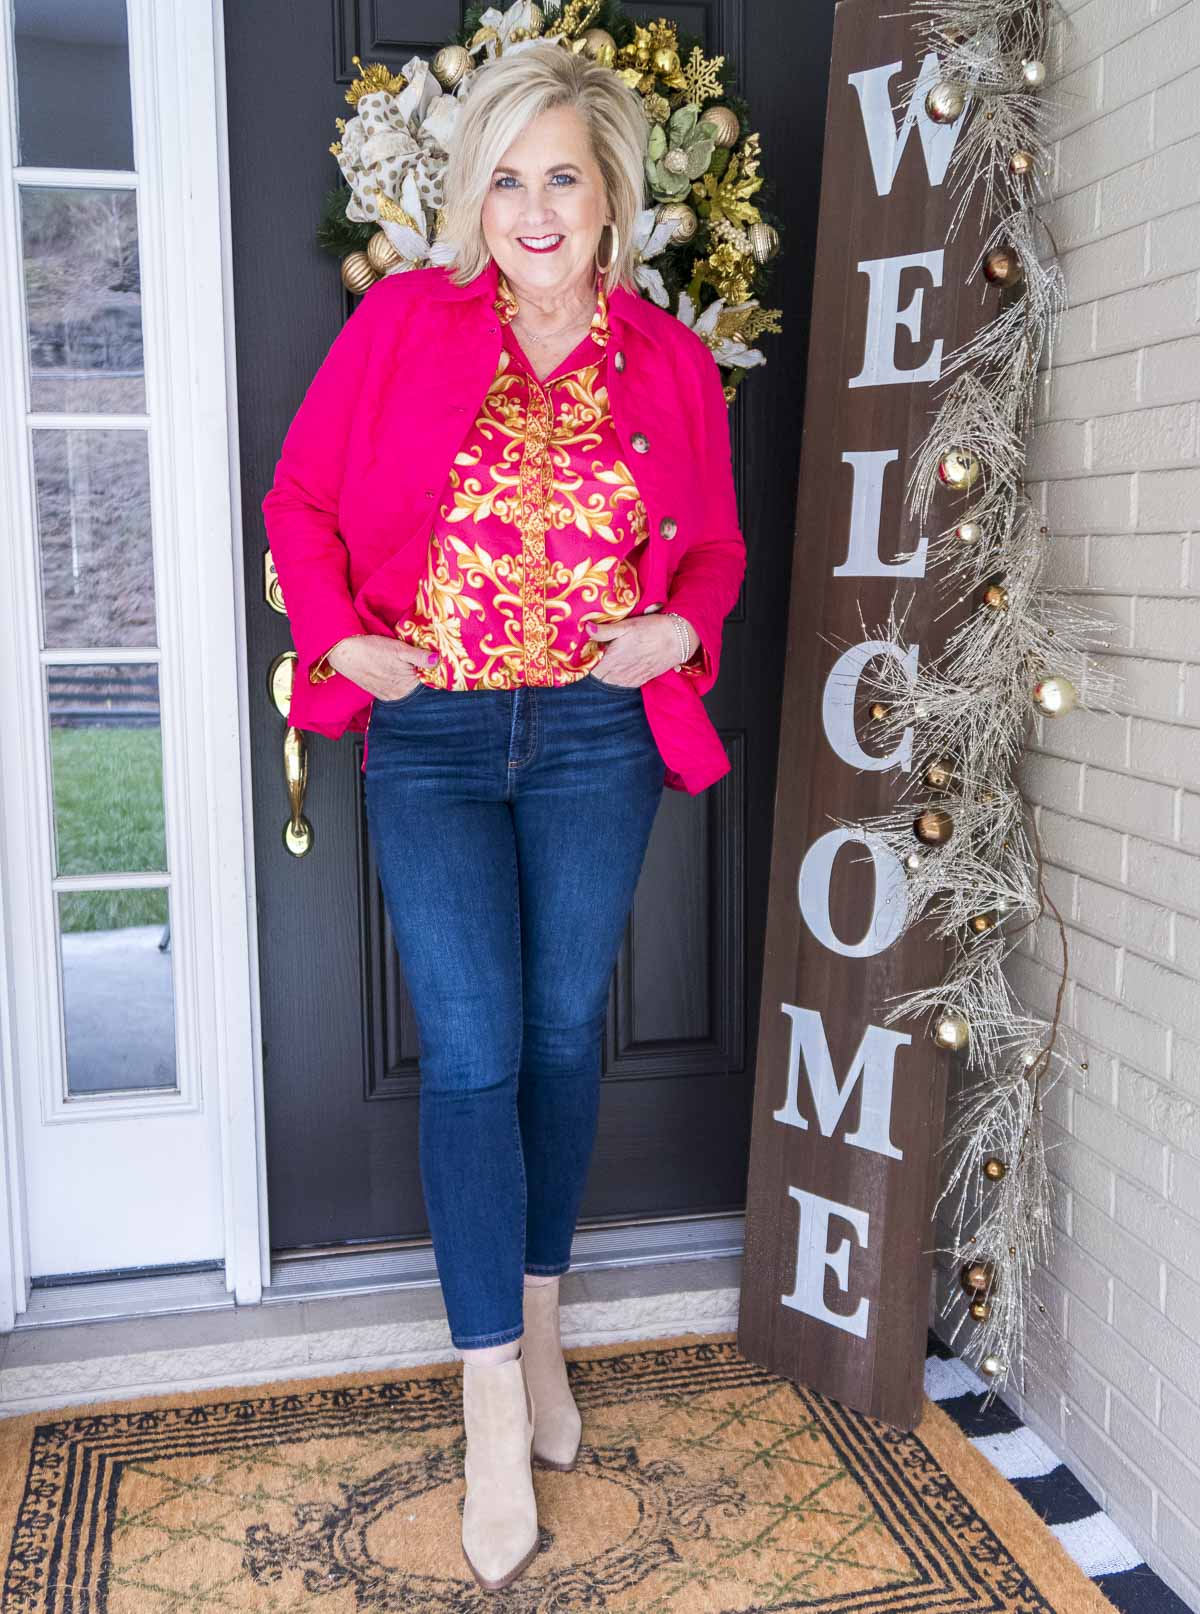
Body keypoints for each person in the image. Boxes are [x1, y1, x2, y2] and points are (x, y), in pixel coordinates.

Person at [262, 38, 745, 1593]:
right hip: (440, 736)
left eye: (564, 177)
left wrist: (681, 632)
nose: (535, 208)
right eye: (509, 177)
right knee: (471, 1047)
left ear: (610, 196)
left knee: (554, 1032)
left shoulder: (667, 360)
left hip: (601, 735)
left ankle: (542, 1329)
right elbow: (302, 503)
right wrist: (340, 638)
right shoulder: (406, 322)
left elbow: (713, 551)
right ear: (477, 192)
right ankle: (489, 1396)